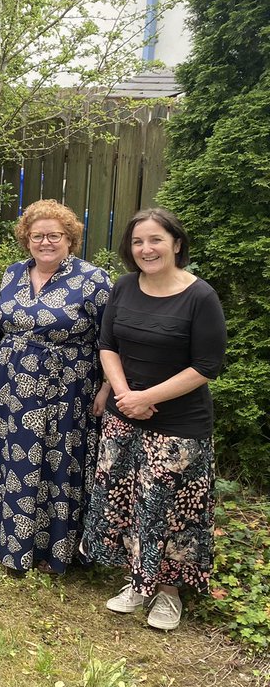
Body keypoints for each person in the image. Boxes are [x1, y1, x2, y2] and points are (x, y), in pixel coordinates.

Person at [83, 209, 226, 632]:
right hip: (124, 416)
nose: (146, 249)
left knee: (168, 508)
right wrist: (126, 395)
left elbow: (207, 365)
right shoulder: (124, 287)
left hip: (178, 424)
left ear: (176, 243)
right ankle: (138, 580)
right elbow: (107, 344)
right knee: (128, 501)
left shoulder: (200, 297)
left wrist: (147, 397)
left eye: (156, 240)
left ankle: (169, 592)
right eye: (138, 242)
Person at [0, 199, 112, 574]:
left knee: (57, 462)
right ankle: (6, 541)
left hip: (66, 388)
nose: (45, 242)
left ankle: (55, 551)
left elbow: (111, 339)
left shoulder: (93, 279)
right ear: (26, 239)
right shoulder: (13, 273)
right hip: (12, 386)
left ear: (70, 239)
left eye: (55, 235)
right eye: (37, 236)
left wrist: (107, 388)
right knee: (12, 458)